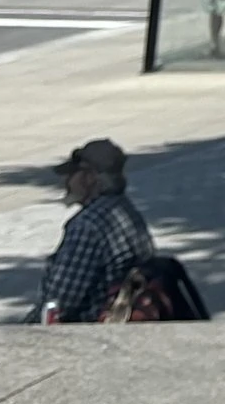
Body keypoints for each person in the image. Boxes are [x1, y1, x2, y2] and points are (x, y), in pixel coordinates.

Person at [35, 139, 153, 324]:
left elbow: (59, 301)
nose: (66, 182)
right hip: (125, 315)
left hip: (92, 325)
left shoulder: (87, 225)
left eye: (71, 174)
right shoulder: (127, 211)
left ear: (89, 178)